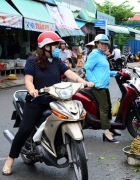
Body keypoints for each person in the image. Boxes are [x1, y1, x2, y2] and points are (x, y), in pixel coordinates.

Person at [2, 31, 94, 176]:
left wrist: (84, 82)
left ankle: (67, 150)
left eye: (58, 44)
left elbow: (70, 74)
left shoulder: (57, 61)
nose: (58, 47)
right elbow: (28, 80)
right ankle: (10, 159)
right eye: (55, 44)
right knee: (25, 129)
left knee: (69, 117)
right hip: (36, 101)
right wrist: (32, 90)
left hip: (55, 100)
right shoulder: (32, 61)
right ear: (46, 46)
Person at [84, 34, 119, 143]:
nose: (104, 46)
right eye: (102, 43)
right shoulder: (94, 54)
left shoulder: (102, 55)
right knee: (104, 108)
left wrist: (116, 73)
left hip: (104, 86)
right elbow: (87, 69)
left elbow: (104, 71)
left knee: (108, 107)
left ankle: (110, 126)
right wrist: (95, 82)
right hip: (98, 87)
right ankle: (106, 132)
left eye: (106, 44)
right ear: (97, 44)